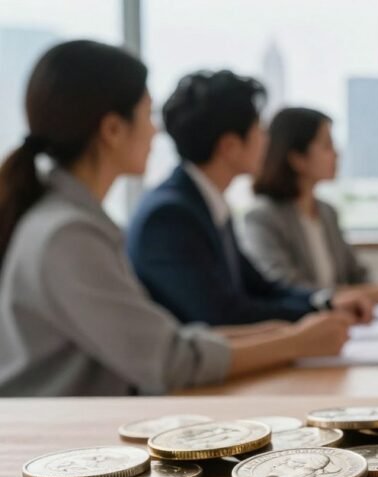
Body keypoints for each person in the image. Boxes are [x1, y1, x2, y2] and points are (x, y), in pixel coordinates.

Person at [0, 41, 350, 397]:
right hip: (54, 438)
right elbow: (169, 360)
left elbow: (171, 337)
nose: (156, 131)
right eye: (147, 114)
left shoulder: (71, 222)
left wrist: (288, 333)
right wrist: (295, 342)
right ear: (112, 130)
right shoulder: (68, 236)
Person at [126, 70, 373, 326]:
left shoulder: (206, 203)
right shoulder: (170, 215)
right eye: (259, 130)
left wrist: (326, 302)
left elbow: (260, 287)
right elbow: (223, 316)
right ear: (230, 146)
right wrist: (318, 317)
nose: (267, 141)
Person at [242, 107, 378, 302]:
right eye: (327, 146)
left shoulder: (326, 212)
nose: (336, 154)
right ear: (297, 158)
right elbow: (288, 289)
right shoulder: (262, 218)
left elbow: (356, 274)